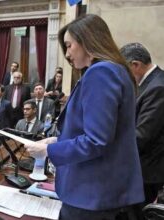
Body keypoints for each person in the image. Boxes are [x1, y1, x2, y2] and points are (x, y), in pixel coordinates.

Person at [24, 14, 144, 219]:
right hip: (104, 190)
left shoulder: (101, 73)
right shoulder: (116, 70)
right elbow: (101, 131)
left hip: (92, 194)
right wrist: (57, 139)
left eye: (69, 46)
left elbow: (96, 141)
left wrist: (49, 150)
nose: (67, 54)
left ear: (87, 40)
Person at [120, 42, 164, 205]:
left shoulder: (158, 87)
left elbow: (142, 136)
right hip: (140, 167)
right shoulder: (151, 83)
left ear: (135, 65)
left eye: (125, 70)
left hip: (147, 172)